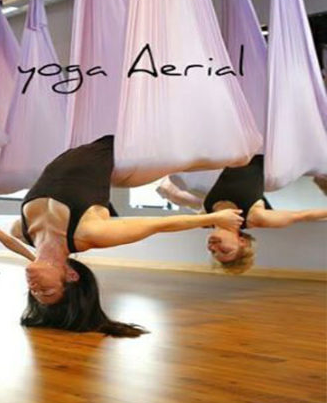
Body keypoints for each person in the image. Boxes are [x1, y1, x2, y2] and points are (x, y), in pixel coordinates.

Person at [15, 135, 244, 335]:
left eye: (34, 292)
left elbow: (7, 236)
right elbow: (160, 225)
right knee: (226, 156)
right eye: (46, 290)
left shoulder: (23, 232)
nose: (34, 286)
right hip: (126, 164)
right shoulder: (90, 234)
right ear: (71, 275)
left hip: (95, 148)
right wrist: (215, 218)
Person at [204, 156, 327, 274]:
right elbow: (303, 215)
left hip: (234, 151)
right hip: (261, 150)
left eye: (213, 252)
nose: (214, 248)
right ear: (242, 242)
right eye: (225, 251)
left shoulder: (206, 218)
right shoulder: (256, 218)